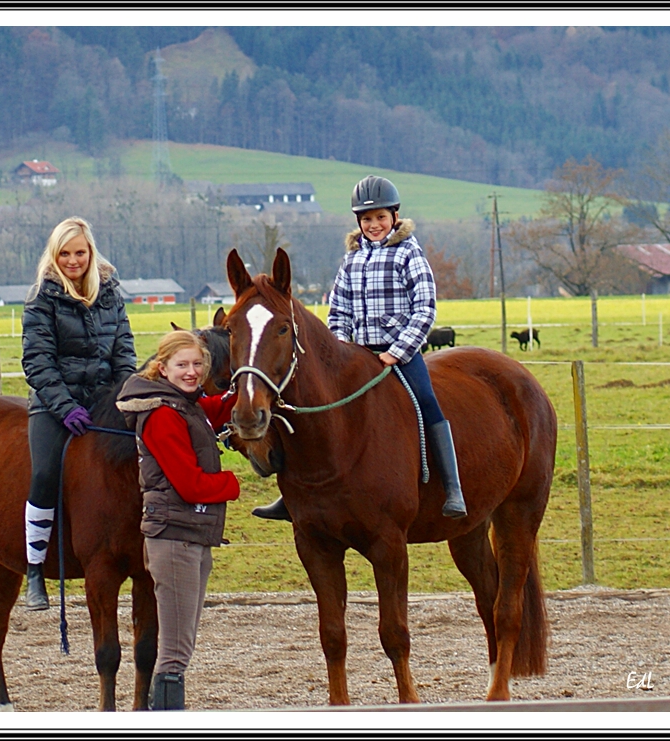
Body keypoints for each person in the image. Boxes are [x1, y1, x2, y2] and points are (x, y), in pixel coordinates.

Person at [252, 175, 467, 522]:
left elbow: (425, 308)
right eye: (367, 219)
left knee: (427, 401)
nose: (374, 225)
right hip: (355, 353)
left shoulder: (409, 254)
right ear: (358, 222)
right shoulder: (351, 260)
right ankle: (290, 492)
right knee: (315, 408)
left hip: (400, 353)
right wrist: (339, 348)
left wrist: (398, 350)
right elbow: (339, 310)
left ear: (394, 216)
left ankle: (452, 487)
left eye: (380, 217)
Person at [116, 331, 240, 711]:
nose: (191, 372)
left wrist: (249, 384)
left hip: (191, 535)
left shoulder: (186, 404)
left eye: (197, 365)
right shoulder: (163, 415)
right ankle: (167, 718)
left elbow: (213, 409)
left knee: (182, 643)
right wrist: (231, 484)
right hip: (174, 538)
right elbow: (189, 484)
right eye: (182, 365)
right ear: (162, 367)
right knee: (174, 651)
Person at [21, 217, 138, 610]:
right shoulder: (42, 298)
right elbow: (37, 362)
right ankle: (35, 568)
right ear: (55, 256)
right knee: (43, 472)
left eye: (80, 253)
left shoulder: (110, 293)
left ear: (91, 254)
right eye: (65, 253)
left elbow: (124, 351)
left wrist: (123, 397)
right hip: (56, 406)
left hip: (106, 403)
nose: (73, 261)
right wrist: (65, 406)